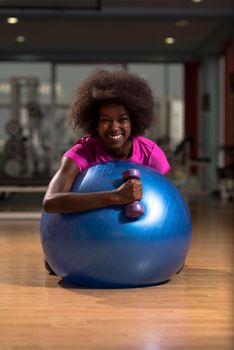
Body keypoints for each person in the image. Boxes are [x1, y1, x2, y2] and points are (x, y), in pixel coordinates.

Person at [42, 69, 170, 214]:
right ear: (95, 124)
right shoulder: (81, 153)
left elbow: (166, 201)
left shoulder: (151, 154)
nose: (114, 128)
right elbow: (50, 202)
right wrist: (116, 197)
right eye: (105, 120)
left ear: (133, 121)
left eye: (122, 120)